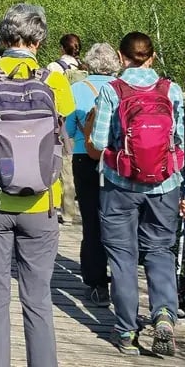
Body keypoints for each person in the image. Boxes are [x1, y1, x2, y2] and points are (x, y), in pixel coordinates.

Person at [0, 4, 74, 367]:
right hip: (42, 204)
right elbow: (64, 129)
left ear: (3, 38)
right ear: (39, 40)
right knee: (38, 300)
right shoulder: (55, 81)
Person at [91, 32, 185, 356]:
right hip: (165, 186)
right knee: (160, 250)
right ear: (152, 58)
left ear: (121, 57)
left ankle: (126, 331)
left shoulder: (112, 90)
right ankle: (163, 314)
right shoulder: (171, 90)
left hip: (120, 186)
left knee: (122, 256)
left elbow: (98, 143)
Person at [64, 42, 121, 307]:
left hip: (84, 157)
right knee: (118, 220)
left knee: (91, 220)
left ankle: (97, 284)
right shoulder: (122, 89)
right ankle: (122, 280)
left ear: (88, 63)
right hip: (118, 160)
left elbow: (67, 129)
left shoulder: (77, 89)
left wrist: (82, 137)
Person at [49, 33, 83, 225]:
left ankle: (67, 213)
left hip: (62, 122)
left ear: (62, 48)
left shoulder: (54, 68)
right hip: (83, 122)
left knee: (65, 168)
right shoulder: (85, 68)